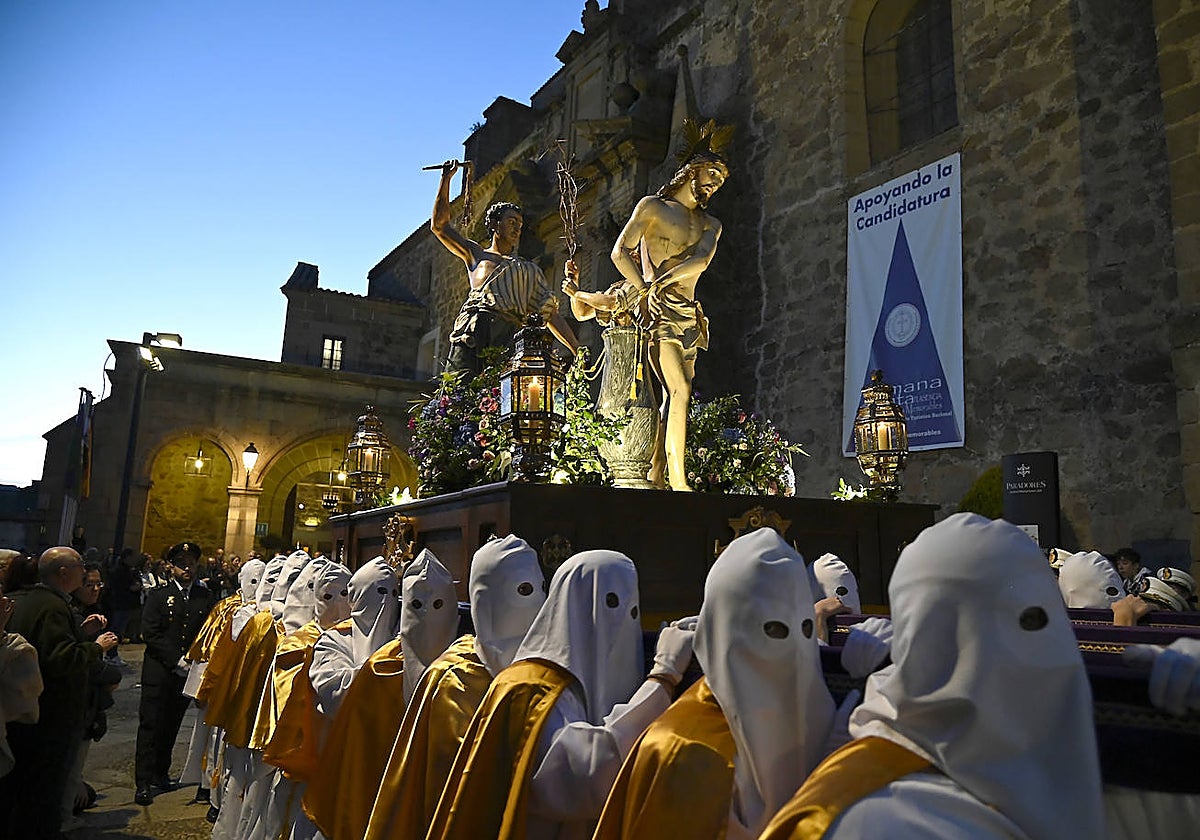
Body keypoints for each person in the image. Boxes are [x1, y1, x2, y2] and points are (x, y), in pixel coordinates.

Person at [760, 513, 1105, 840]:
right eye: (1024, 623)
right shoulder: (881, 820)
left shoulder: (1047, 758)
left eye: (1040, 622)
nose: (1042, 657)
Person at [427, 548, 695, 840]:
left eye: (632, 610)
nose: (621, 622)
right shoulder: (528, 688)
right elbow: (586, 779)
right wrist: (663, 677)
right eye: (610, 604)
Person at [596, 528, 836, 840]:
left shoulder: (820, 712)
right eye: (774, 630)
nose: (790, 650)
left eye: (804, 628)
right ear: (723, 628)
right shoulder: (683, 751)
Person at [365, 534, 547, 840]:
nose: (537, 605)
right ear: (482, 599)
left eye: (541, 590)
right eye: (523, 591)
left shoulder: (547, 674)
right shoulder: (452, 678)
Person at [610, 120, 730, 490]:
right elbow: (619, 253)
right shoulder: (653, 208)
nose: (714, 185)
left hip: (690, 315)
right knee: (679, 389)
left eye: (720, 181)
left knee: (675, 396)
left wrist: (661, 279)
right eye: (711, 175)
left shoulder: (711, 223)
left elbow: (702, 261)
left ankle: (657, 473)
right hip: (660, 313)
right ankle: (679, 482)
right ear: (691, 171)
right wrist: (644, 289)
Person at [0, 546, 119, 839]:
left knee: (20, 790)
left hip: (23, 712)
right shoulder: (51, 605)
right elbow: (58, 658)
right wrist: (96, 648)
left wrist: (81, 633)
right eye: (80, 566)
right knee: (43, 794)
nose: (86, 572)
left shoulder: (26, 600)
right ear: (64, 572)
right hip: (50, 716)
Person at [432, 159, 579, 377]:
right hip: (474, 329)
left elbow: (550, 314)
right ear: (493, 225)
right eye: (511, 222)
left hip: (509, 334)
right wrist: (446, 179)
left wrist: (577, 349)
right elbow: (439, 226)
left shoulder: (529, 270)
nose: (517, 228)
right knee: (460, 390)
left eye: (520, 225)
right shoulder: (477, 254)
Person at [134, 541, 217, 806]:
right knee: (151, 725)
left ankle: (161, 772)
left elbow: (207, 631)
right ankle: (143, 781)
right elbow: (152, 633)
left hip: (186, 674)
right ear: (171, 567)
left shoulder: (204, 597)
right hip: (160, 671)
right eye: (181, 564)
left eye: (191, 564)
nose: (187, 569)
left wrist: (194, 662)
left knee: (171, 724)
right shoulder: (160, 596)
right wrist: (176, 659)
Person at [63, 562, 121, 825]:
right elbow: (79, 660)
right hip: (75, 703)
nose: (96, 589)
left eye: (99, 584)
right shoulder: (68, 613)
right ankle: (64, 817)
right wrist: (99, 647)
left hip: (88, 705)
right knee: (70, 768)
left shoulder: (88, 613)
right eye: (90, 584)